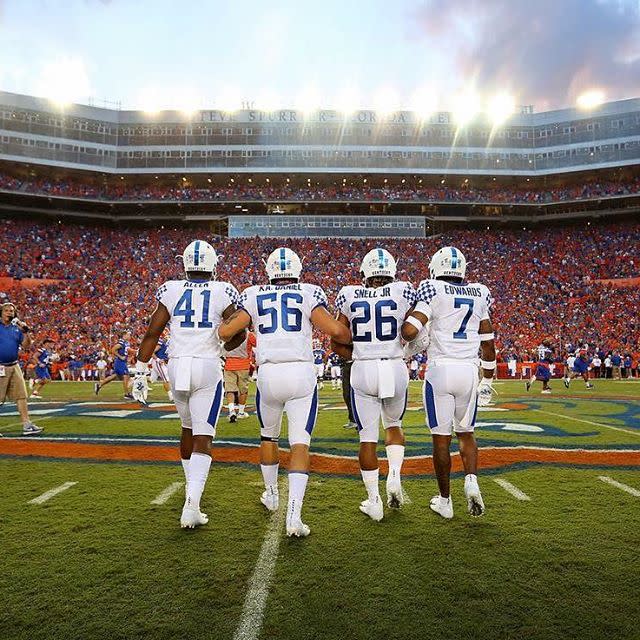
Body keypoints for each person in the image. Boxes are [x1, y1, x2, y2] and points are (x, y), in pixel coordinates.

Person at [218, 247, 351, 538]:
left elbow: (227, 332)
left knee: (268, 437)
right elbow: (336, 332)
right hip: (301, 373)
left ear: (269, 270)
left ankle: (271, 494)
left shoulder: (253, 294)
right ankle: (294, 514)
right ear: (297, 269)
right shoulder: (309, 292)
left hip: (268, 374)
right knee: (300, 444)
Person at [133, 240, 242, 529]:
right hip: (206, 366)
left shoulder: (170, 289)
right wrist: (225, 339)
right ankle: (191, 504)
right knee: (203, 436)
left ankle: (190, 488)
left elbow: (152, 332)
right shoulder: (223, 289)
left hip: (177, 364)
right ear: (212, 265)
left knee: (187, 428)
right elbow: (239, 331)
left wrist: (140, 371)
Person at [402, 246, 495, 520]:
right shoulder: (479, 293)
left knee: (441, 441)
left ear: (436, 267)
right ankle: (472, 481)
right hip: (469, 371)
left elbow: (409, 331)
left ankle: (445, 500)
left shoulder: (432, 289)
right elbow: (488, 344)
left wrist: (416, 333)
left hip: (441, 372)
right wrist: (487, 378)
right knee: (466, 434)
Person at [333, 248, 415, 521]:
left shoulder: (349, 293)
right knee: (394, 427)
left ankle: (374, 501)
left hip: (364, 367)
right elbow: (414, 331)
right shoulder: (404, 291)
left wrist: (357, 356)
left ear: (364, 273)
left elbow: (337, 340)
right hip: (394, 364)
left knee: (367, 438)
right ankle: (394, 475)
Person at [0, 302, 43, 435]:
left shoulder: (16, 328)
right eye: (6, 310)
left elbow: (26, 346)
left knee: (21, 396)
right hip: (0, 366)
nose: (9, 313)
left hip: (14, 365)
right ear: (1, 312)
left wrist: (26, 333)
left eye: (11, 311)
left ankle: (27, 425)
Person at [224, 330, 256, 422]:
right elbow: (258, 344)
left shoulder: (228, 331)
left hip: (229, 364)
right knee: (243, 390)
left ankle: (231, 411)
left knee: (230, 389)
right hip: (243, 365)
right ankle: (241, 412)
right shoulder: (249, 334)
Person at [95, 332, 133, 398]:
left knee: (114, 376)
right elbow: (113, 350)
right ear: (124, 335)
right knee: (126, 376)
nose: (130, 336)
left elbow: (125, 351)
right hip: (120, 362)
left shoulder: (126, 343)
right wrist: (120, 357)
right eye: (128, 335)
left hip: (122, 362)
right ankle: (127, 394)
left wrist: (128, 357)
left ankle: (99, 384)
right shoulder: (121, 343)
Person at [151, 335, 173, 402]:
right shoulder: (161, 343)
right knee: (166, 378)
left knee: (152, 379)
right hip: (158, 362)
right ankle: (171, 396)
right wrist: (158, 359)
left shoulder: (167, 345)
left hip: (161, 362)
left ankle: (135, 380)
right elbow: (151, 352)